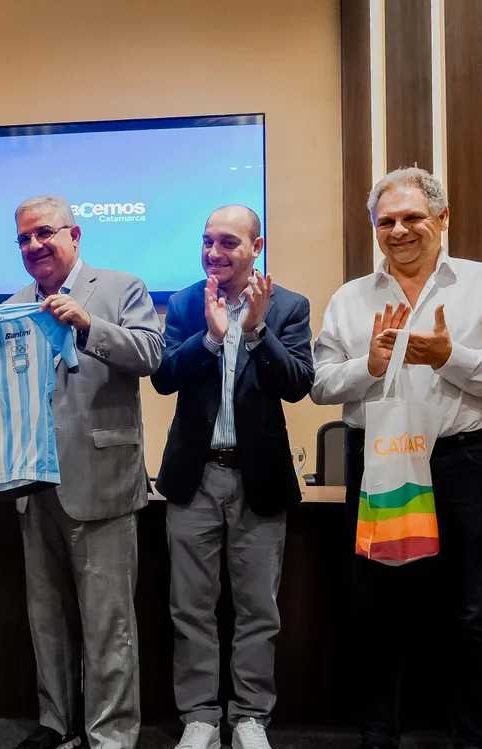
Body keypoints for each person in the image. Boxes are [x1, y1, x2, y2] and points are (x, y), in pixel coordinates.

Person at [311, 167, 482, 749]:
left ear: (442, 219)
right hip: (378, 462)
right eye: (386, 221)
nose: (399, 231)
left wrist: (451, 357)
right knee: (377, 608)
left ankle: (473, 739)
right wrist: (367, 366)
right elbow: (319, 384)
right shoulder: (350, 298)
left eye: (413, 217)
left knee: (471, 610)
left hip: (464, 463)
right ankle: (378, 737)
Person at [0, 195, 163, 749]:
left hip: (101, 480)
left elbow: (152, 354)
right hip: (30, 482)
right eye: (24, 238)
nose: (34, 245)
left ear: (74, 235)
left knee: (109, 624)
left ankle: (109, 736)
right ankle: (56, 722)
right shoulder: (11, 306)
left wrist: (88, 324)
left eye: (44, 233)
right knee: (46, 617)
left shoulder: (121, 288)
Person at [151, 206, 313, 749]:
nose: (213, 253)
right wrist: (211, 339)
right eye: (207, 242)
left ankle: (249, 716)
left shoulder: (287, 305)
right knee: (190, 606)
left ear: (256, 247)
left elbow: (298, 384)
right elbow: (163, 378)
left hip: (259, 478)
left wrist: (257, 332)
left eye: (227, 242)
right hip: (194, 477)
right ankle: (199, 715)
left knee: (258, 608)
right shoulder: (184, 303)